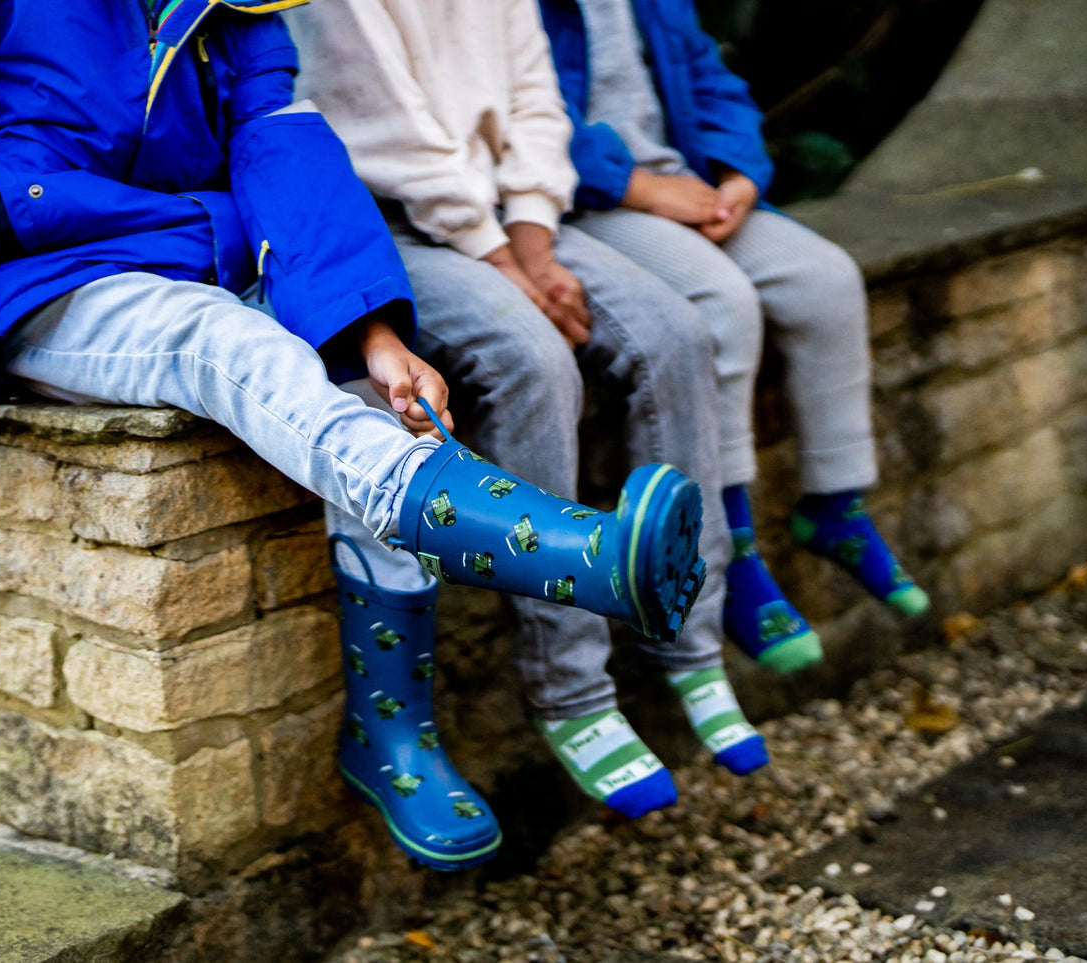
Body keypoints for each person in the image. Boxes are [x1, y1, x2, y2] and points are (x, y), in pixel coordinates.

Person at [0, 0, 711, 874]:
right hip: (45, 273)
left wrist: (374, 334)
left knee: (371, 388)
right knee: (224, 341)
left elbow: (284, 146)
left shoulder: (241, 0)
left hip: (193, 249)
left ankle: (393, 735)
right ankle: (576, 552)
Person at [286, 0, 770, 843]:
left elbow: (537, 99)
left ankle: (689, 641)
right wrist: (501, 257)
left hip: (512, 219)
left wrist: (535, 236)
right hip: (383, 226)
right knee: (530, 356)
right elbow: (386, 129)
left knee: (675, 335)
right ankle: (572, 689)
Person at [535, 0, 930, 674]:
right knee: (720, 300)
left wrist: (738, 171)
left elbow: (710, 75)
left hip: (687, 187)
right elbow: (516, 118)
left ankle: (835, 504)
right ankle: (730, 547)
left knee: (825, 280)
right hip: (585, 206)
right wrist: (635, 185)